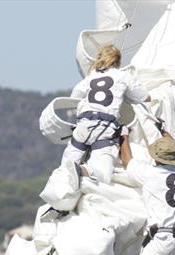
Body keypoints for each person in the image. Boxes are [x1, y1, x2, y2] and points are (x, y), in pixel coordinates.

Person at [62, 44, 151, 186]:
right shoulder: (123, 76)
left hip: (83, 125)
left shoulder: (91, 77)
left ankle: (61, 193)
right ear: (118, 61)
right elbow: (145, 97)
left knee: (64, 170)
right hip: (104, 128)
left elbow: (74, 96)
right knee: (103, 175)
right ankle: (82, 170)